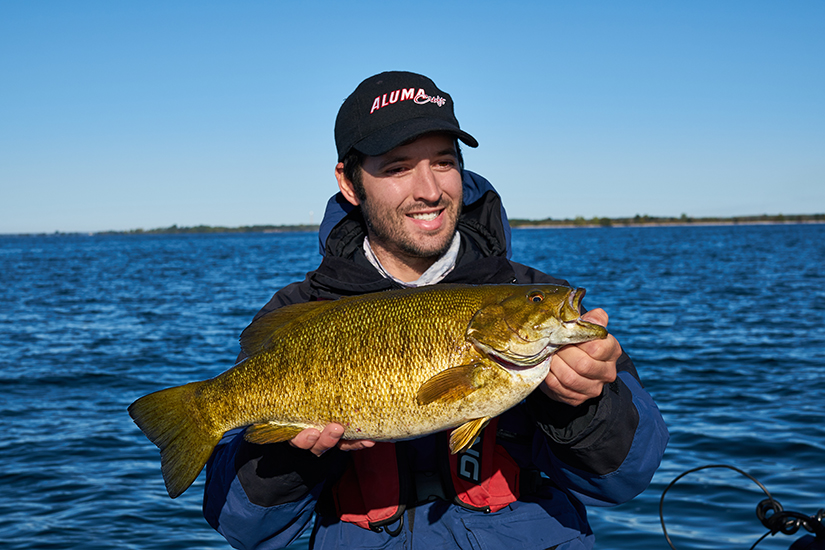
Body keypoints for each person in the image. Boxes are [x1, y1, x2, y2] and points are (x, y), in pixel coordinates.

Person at [203, 71, 669, 550]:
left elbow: (628, 478)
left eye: (443, 162)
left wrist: (587, 405)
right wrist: (294, 458)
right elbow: (240, 527)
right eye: (398, 167)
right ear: (349, 181)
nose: (428, 189)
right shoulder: (301, 312)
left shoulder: (535, 295)